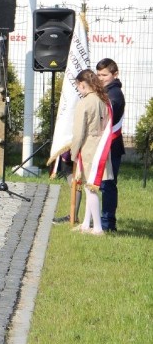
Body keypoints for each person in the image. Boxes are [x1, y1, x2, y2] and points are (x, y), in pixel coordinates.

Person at [69, 69, 113, 235]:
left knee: (90, 188)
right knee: (91, 186)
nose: (78, 89)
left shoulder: (85, 103)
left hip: (88, 147)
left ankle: (98, 228)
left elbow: (79, 132)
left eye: (78, 86)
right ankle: (86, 224)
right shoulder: (103, 100)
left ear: (82, 85)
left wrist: (73, 153)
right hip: (101, 146)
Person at [96, 58, 124, 232]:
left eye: (104, 75)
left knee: (108, 185)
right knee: (101, 184)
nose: (100, 78)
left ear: (115, 74)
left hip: (111, 146)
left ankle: (108, 223)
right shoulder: (104, 91)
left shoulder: (114, 95)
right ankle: (99, 219)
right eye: (98, 74)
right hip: (104, 145)